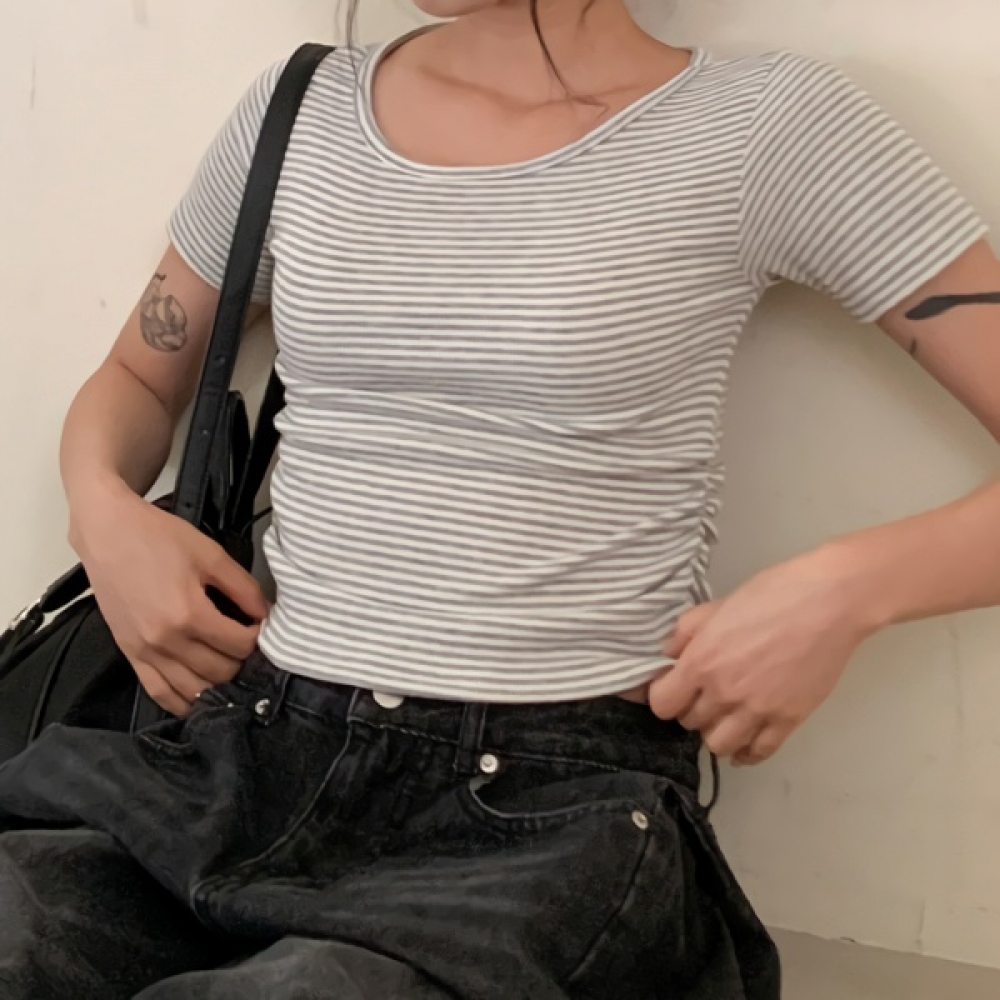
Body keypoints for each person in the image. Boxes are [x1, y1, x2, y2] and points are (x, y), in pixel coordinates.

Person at [1, 0, 998, 997]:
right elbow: (136, 377)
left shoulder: (768, 124)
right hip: (244, 751)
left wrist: (843, 591)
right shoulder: (301, 111)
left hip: (538, 816)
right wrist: (105, 511)